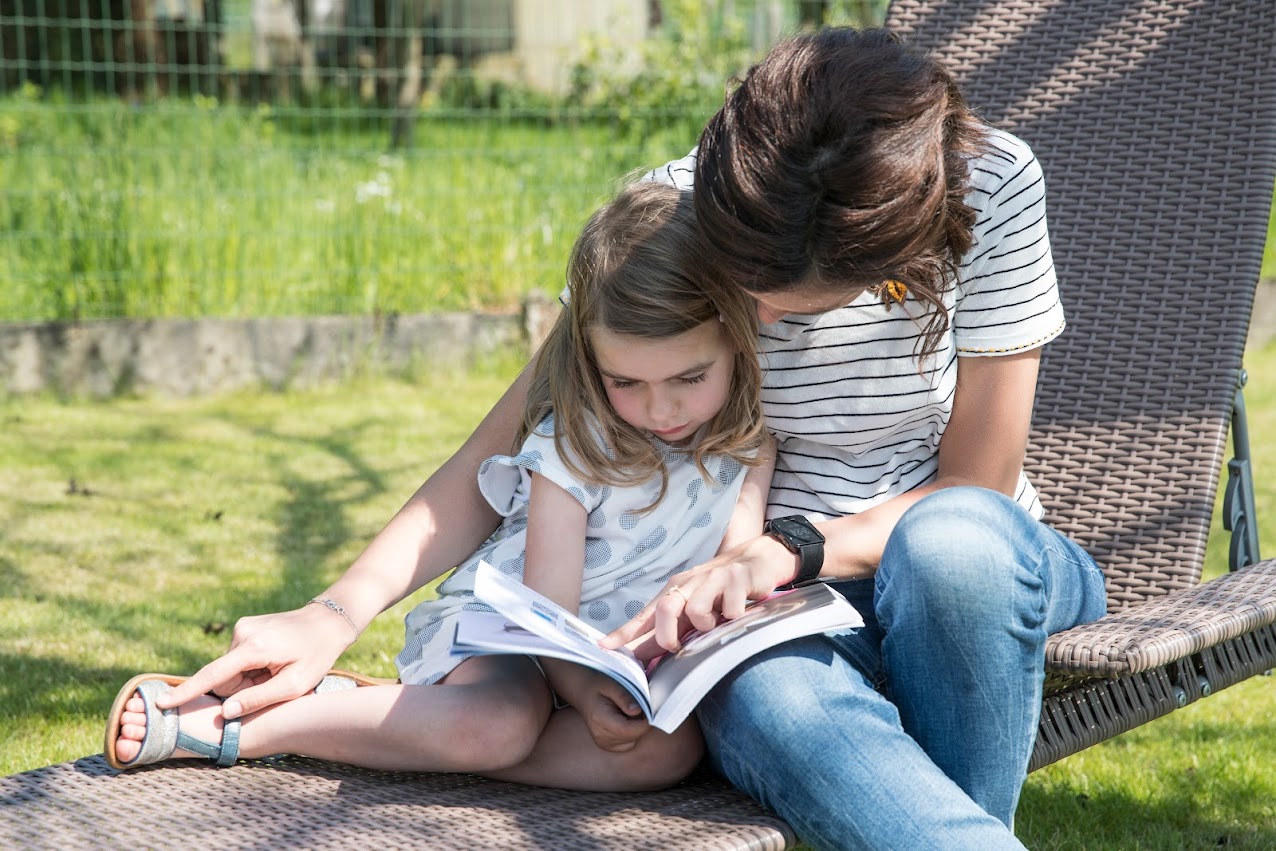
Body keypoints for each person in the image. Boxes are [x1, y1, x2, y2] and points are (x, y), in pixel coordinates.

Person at [118, 25, 1107, 849]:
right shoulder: (666, 219)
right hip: (768, 611)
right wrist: (333, 612)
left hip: (953, 565)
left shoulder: (990, 187)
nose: (749, 323)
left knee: (954, 547)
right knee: (770, 703)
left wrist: (787, 542)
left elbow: (974, 486)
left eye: (782, 303)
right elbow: (495, 453)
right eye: (741, 290)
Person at [104, 180, 777, 793]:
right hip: (518, 644)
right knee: (498, 724)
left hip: (617, 667)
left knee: (668, 752)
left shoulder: (750, 446)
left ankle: (396, 726)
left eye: (689, 378)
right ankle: (252, 727)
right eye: (626, 382)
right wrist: (584, 682)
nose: (661, 410)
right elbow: (545, 617)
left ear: (738, 340)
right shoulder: (579, 446)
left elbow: (730, 569)